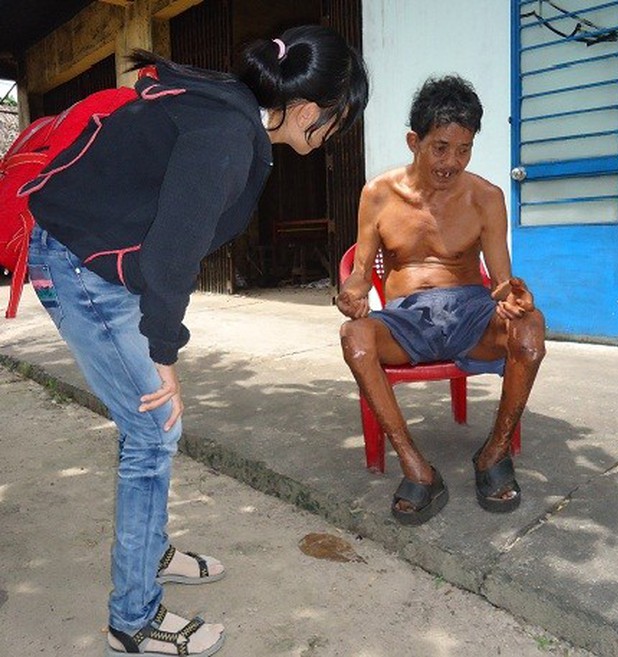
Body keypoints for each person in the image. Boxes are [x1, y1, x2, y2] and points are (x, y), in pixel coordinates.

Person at [26, 25, 368, 657]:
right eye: (339, 120)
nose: (335, 133)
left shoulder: (229, 109)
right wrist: (164, 355)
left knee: (152, 428)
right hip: (79, 265)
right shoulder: (227, 134)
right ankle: (133, 620)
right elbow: (171, 257)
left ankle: (151, 552)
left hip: (93, 256)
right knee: (153, 430)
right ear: (311, 110)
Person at [337, 75, 544, 527]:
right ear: (414, 141)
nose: (452, 162)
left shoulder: (486, 197)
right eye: (441, 148)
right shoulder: (377, 195)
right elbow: (359, 273)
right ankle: (418, 469)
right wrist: (351, 294)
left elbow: (501, 283)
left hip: (471, 314)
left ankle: (494, 453)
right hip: (406, 320)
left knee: (530, 329)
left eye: (464, 149)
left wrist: (514, 299)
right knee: (354, 338)